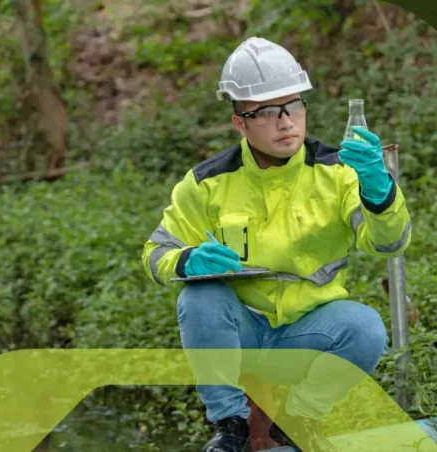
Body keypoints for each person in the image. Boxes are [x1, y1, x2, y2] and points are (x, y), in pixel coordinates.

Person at [141, 36, 412, 452]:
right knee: (199, 299)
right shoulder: (207, 182)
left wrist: (380, 193)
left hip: (310, 331)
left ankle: (300, 416)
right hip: (241, 334)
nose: (286, 121)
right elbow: (155, 253)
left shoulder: (338, 171)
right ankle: (229, 425)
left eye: (294, 106)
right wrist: (187, 260)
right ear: (240, 123)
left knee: (365, 327)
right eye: (267, 112)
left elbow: (389, 243)